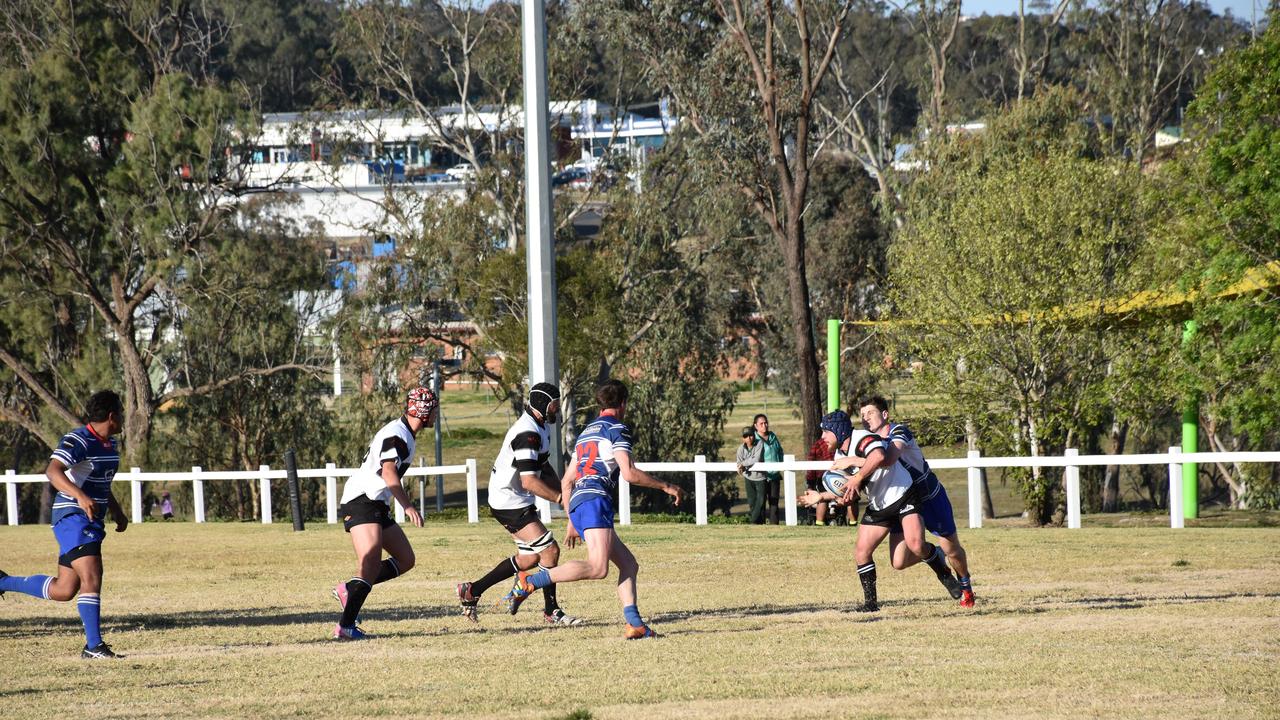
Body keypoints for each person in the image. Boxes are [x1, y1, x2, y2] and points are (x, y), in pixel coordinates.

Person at [502, 379, 684, 639]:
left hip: (579, 501)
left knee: (629, 565)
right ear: (623, 403)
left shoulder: (586, 432)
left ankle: (635, 624)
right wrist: (666, 486)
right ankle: (530, 582)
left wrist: (571, 520)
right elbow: (630, 473)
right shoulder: (617, 429)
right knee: (598, 568)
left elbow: (567, 481)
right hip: (595, 500)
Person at [0, 390, 129, 658]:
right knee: (92, 576)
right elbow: (53, 471)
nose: (123, 417)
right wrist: (80, 497)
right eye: (121, 411)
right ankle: (93, 646)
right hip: (73, 516)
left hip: (91, 518)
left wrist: (116, 511)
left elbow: (101, 481)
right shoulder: (79, 438)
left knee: (64, 589)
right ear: (112, 415)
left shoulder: (110, 444)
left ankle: (3, 582)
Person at [798, 410, 956, 612]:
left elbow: (879, 456)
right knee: (872, 555)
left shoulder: (862, 438)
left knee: (916, 545)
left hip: (903, 495)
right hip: (880, 505)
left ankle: (944, 573)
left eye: (825, 432)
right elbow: (850, 488)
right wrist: (821, 497)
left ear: (837, 430)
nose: (822, 438)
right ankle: (871, 604)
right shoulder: (840, 455)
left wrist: (856, 469)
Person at [456, 382, 581, 626]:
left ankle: (472, 590)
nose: (557, 411)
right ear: (544, 405)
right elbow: (529, 482)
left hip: (512, 498)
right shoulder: (528, 434)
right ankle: (551, 611)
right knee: (550, 550)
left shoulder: (539, 427)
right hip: (508, 500)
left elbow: (543, 467)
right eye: (555, 406)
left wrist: (565, 491)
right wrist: (559, 499)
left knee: (529, 559)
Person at [330, 387, 434, 640]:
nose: (436, 415)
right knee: (370, 563)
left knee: (406, 559)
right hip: (361, 500)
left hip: (376, 504)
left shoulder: (405, 433)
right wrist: (407, 506)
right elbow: (388, 473)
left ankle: (350, 589)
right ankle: (345, 626)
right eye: (434, 409)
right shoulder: (397, 434)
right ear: (423, 410)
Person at [857, 396, 974, 608]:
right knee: (899, 562)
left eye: (870, 413)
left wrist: (853, 461)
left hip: (929, 498)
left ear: (885, 415)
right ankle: (932, 554)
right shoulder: (867, 444)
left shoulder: (899, 432)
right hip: (902, 501)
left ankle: (965, 585)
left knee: (952, 550)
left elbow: (888, 458)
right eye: (862, 415)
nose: (866, 419)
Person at [753, 414, 784, 524]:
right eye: (761, 423)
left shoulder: (773, 436)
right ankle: (758, 525)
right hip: (760, 477)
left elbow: (780, 451)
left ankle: (774, 526)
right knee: (760, 503)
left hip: (774, 476)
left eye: (766, 423)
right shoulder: (753, 439)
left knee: (774, 503)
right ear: (756, 426)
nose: (764, 425)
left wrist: (780, 465)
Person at [736, 426, 767, 523]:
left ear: (754, 436)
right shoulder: (740, 448)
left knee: (761, 501)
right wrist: (741, 466)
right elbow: (739, 462)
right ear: (743, 438)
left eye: (751, 435)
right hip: (748, 477)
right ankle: (758, 524)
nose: (749, 438)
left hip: (760, 477)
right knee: (752, 502)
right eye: (746, 436)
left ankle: (752, 521)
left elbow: (756, 459)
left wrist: (743, 464)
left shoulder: (759, 443)